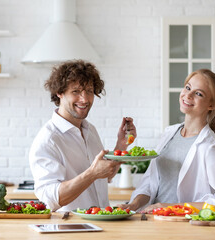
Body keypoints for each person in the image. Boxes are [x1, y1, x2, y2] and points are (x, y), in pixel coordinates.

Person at [119, 69, 215, 213]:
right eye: (188, 87)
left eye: (198, 93)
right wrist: (134, 204)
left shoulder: (209, 147)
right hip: (154, 222)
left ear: (211, 105)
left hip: (182, 227)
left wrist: (171, 207)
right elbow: (150, 183)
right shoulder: (169, 133)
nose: (188, 95)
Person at [29, 60, 136, 212]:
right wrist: (91, 174)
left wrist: (121, 145)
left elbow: (105, 175)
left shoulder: (89, 129)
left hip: (99, 225)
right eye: (76, 91)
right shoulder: (48, 140)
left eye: (89, 91)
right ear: (59, 93)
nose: (84, 99)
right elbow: (51, 200)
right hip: (69, 230)